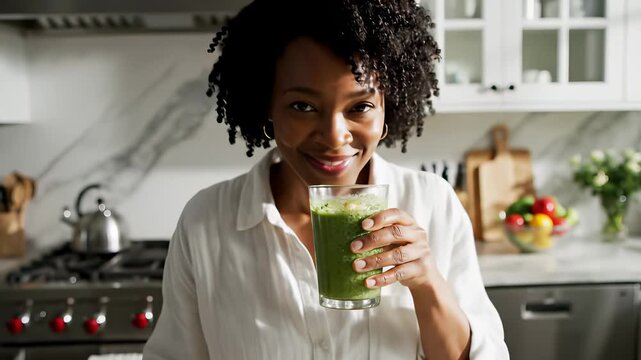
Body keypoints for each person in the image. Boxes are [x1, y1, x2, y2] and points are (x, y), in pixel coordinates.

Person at [143, 0, 509, 359]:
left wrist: (428, 284)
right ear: (266, 106)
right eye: (303, 106)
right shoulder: (206, 221)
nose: (335, 137)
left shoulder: (433, 203)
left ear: (387, 107)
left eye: (360, 107)